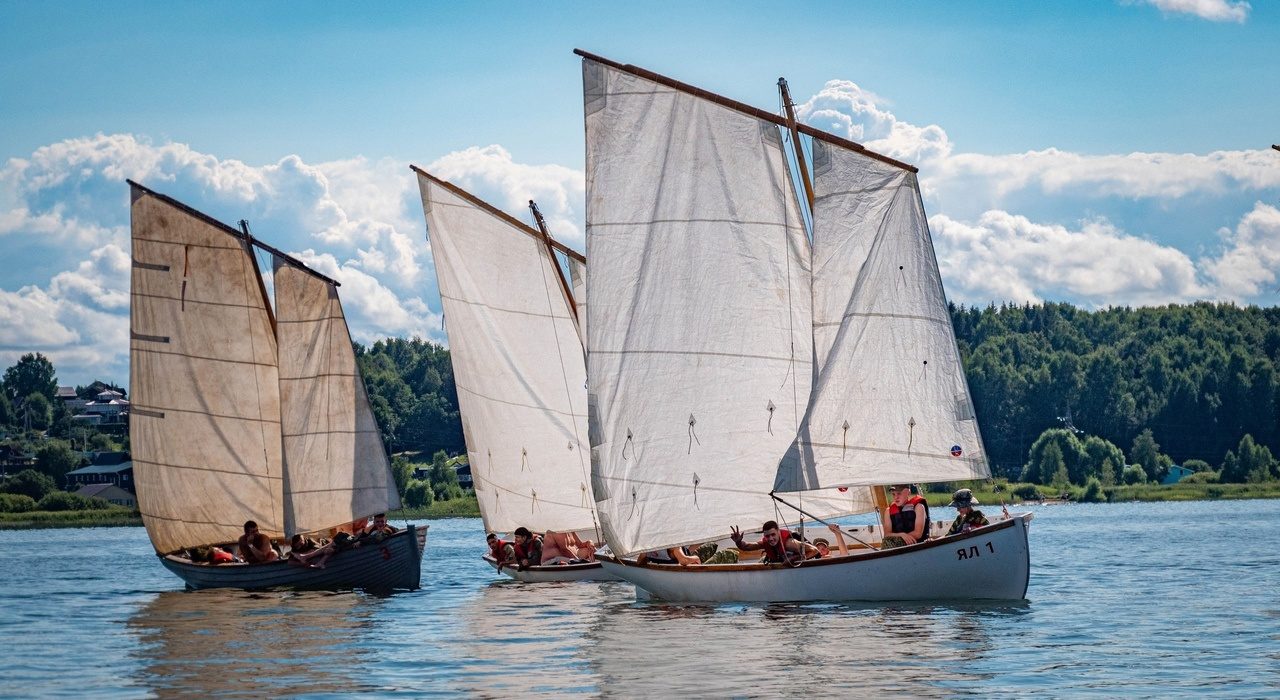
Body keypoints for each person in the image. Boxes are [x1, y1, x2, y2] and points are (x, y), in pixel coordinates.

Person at [731, 520, 818, 564]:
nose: (771, 539)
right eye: (767, 536)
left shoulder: (790, 543)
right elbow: (746, 547)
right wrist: (738, 542)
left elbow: (814, 550)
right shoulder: (765, 543)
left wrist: (797, 559)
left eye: (773, 534)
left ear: (778, 532)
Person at [880, 484, 930, 549]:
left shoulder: (919, 507)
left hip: (918, 545)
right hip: (897, 546)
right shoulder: (888, 511)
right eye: (893, 494)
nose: (896, 497)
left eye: (899, 493)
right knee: (886, 542)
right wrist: (902, 535)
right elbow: (887, 535)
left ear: (908, 492)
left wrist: (901, 537)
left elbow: (918, 534)